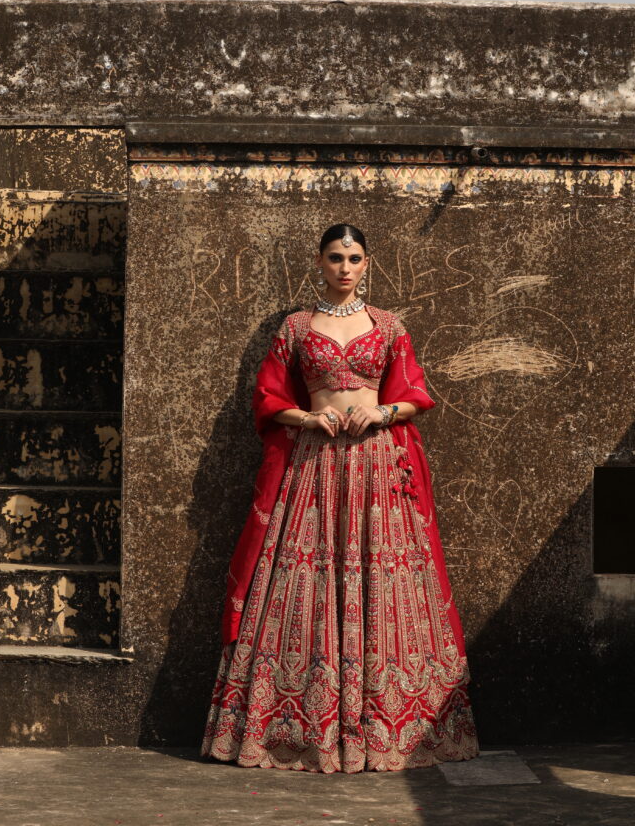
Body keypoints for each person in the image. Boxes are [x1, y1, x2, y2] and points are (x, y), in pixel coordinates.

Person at [200, 223, 479, 773]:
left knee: (383, 579)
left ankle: (390, 730)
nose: (344, 268)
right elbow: (267, 396)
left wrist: (382, 411)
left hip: (376, 465)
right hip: (314, 465)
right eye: (335, 258)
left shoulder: (389, 325)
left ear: (367, 263)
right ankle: (300, 729)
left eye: (353, 259)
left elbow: (417, 394)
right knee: (307, 579)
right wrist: (308, 417)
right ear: (319, 262)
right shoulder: (296, 327)